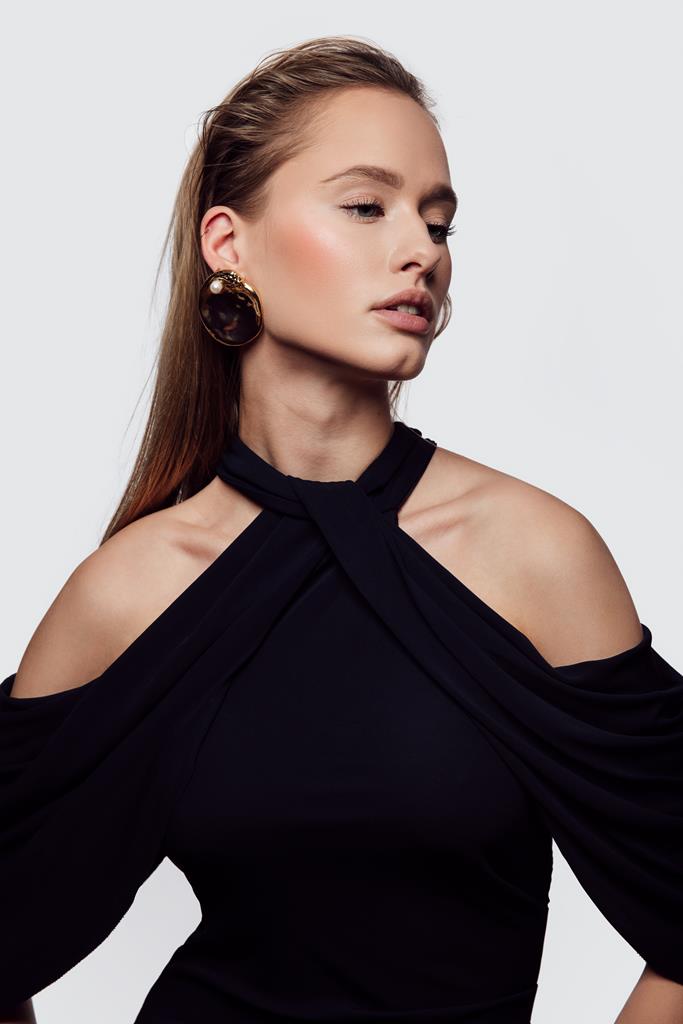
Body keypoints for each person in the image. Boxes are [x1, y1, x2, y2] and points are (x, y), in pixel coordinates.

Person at [1, 34, 682, 1024]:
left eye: (438, 222)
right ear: (227, 243)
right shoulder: (130, 587)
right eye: (366, 207)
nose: (421, 251)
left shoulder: (531, 551)